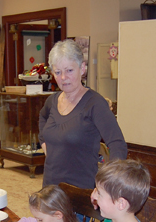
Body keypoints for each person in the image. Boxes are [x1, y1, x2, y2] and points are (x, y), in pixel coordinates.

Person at [39, 39, 127, 189]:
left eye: (69, 70)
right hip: (49, 192)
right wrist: (44, 143)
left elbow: (118, 145)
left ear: (82, 68)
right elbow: (42, 117)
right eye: (58, 72)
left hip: (80, 194)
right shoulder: (52, 101)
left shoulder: (96, 104)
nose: (63, 78)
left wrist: (108, 183)